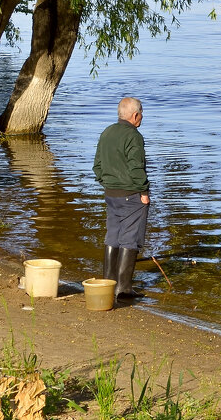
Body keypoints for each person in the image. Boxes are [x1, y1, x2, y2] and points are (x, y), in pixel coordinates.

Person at [93, 97, 149, 298]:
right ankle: (123, 288)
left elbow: (97, 166)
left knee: (113, 236)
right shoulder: (134, 136)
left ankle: (108, 283)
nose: (142, 118)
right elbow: (136, 168)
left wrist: (107, 182)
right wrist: (144, 192)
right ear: (135, 115)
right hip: (131, 194)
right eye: (141, 114)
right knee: (129, 238)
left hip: (110, 194)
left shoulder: (107, 132)